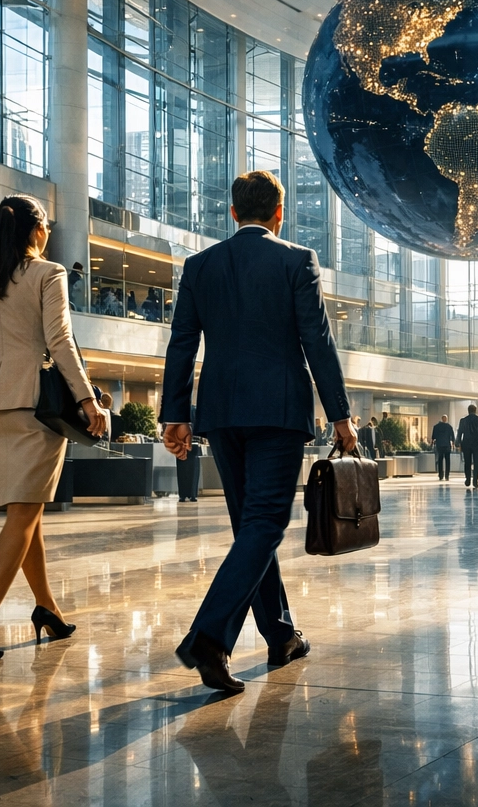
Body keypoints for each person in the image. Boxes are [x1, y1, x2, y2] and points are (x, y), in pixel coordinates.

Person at [158, 170, 355, 693]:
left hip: (221, 411)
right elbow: (317, 341)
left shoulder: (200, 265)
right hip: (278, 410)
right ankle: (209, 637)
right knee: (265, 523)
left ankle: (280, 634)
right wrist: (340, 415)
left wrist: (175, 413)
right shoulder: (297, 260)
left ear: (233, 213)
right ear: (279, 213)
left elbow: (182, 342)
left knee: (252, 525)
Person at [0, 195, 107, 663]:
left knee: (27, 512)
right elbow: (59, 340)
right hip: (35, 408)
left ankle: (47, 608)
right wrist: (87, 400)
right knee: (23, 514)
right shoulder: (48, 273)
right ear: (37, 229)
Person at [458, 405, 478, 488]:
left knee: (467, 462)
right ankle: (475, 481)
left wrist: (458, 443)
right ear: (475, 410)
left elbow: (460, 433)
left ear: (468, 410)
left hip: (466, 444)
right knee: (477, 463)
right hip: (477, 444)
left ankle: (468, 479)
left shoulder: (463, 420)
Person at [431, 414, 455, 481]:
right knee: (447, 461)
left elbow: (433, 437)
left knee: (440, 460)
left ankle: (441, 475)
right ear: (446, 419)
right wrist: (453, 444)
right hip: (447, 446)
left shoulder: (436, 427)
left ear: (442, 419)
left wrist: (432, 443)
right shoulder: (449, 427)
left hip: (439, 445)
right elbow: (452, 436)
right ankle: (447, 475)